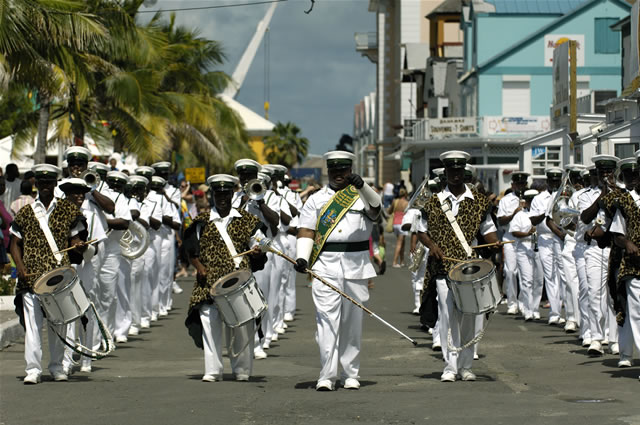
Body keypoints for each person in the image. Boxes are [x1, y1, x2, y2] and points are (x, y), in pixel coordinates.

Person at [295, 150, 381, 391]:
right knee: (326, 320)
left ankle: (350, 373)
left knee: (353, 322)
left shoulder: (362, 195)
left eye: (343, 170)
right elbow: (306, 230)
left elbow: (376, 210)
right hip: (325, 264)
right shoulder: (315, 199)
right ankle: (327, 375)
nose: (338, 174)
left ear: (350, 170)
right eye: (333, 170)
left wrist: (363, 186)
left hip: (356, 265)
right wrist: (302, 257)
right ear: (328, 171)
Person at [417, 151, 500, 383]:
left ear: (464, 172)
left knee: (470, 316)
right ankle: (450, 367)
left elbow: (488, 230)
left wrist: (495, 242)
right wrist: (431, 245)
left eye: (459, 171)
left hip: (470, 266)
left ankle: (466, 366)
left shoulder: (480, 203)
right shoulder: (432, 202)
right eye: (451, 171)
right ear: (445, 172)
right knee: (448, 316)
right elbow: (421, 230)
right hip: (444, 267)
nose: (455, 175)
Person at [184, 174, 267, 382]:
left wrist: (258, 251)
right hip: (209, 283)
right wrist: (199, 267)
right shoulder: (201, 222)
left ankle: (242, 370)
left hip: (237, 281)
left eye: (225, 194)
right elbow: (191, 251)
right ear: (212, 195)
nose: (221, 198)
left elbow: (260, 244)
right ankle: (212, 370)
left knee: (241, 327)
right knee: (210, 326)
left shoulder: (247, 221)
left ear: (232, 194)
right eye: (217, 194)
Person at [9, 164, 87, 384]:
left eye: (49, 183)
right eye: (41, 183)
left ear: (55, 184)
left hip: (58, 277)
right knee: (33, 325)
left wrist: (78, 245)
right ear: (36, 185)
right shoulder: (25, 212)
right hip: (31, 278)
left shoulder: (67, 210)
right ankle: (33, 370)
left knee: (58, 324)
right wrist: (20, 267)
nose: (45, 186)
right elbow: (14, 243)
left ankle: (56, 367)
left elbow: (74, 238)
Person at [609, 150, 640, 373]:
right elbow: (617, 234)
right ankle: (626, 352)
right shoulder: (626, 201)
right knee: (635, 312)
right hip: (634, 266)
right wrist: (627, 243)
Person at [529, 168, 566, 325]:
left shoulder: (565, 196)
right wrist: (545, 213)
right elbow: (533, 221)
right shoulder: (539, 198)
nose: (555, 184)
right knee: (550, 275)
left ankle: (568, 311)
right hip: (544, 238)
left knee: (564, 275)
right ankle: (554, 312)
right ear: (548, 181)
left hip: (561, 237)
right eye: (552, 181)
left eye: (557, 181)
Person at [496, 172, 529, 315]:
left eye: (523, 184)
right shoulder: (506, 200)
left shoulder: (531, 198)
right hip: (510, 237)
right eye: (518, 184)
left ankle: (523, 302)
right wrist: (514, 213)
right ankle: (512, 302)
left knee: (525, 272)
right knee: (510, 271)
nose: (520, 187)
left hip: (526, 237)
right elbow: (501, 221)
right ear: (513, 185)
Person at [509, 189, 540, 321]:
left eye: (533, 200)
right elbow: (514, 232)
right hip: (524, 246)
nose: (531, 203)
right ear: (525, 202)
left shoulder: (539, 214)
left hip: (538, 246)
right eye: (529, 200)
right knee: (527, 280)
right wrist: (528, 233)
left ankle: (535, 308)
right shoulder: (520, 215)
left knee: (538, 280)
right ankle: (528, 309)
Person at [388, 188, 409, 268]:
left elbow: (389, 211)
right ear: (405, 194)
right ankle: (395, 262)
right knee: (399, 243)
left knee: (402, 243)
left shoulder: (395, 201)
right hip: (402, 224)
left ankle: (402, 261)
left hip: (395, 223)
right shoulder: (406, 203)